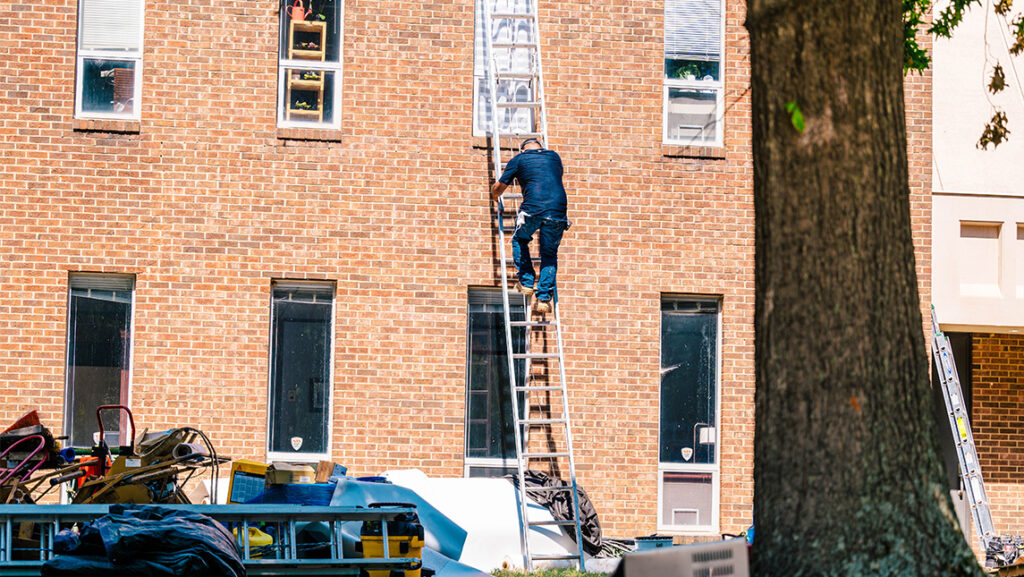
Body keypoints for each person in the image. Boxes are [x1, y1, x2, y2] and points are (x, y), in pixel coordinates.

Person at [490, 138, 570, 313]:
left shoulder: (519, 159)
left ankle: (526, 283)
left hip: (533, 209)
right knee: (549, 253)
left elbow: (500, 187)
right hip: (558, 211)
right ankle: (543, 299)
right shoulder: (554, 157)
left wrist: (494, 196)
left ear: (523, 150)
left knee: (520, 240)